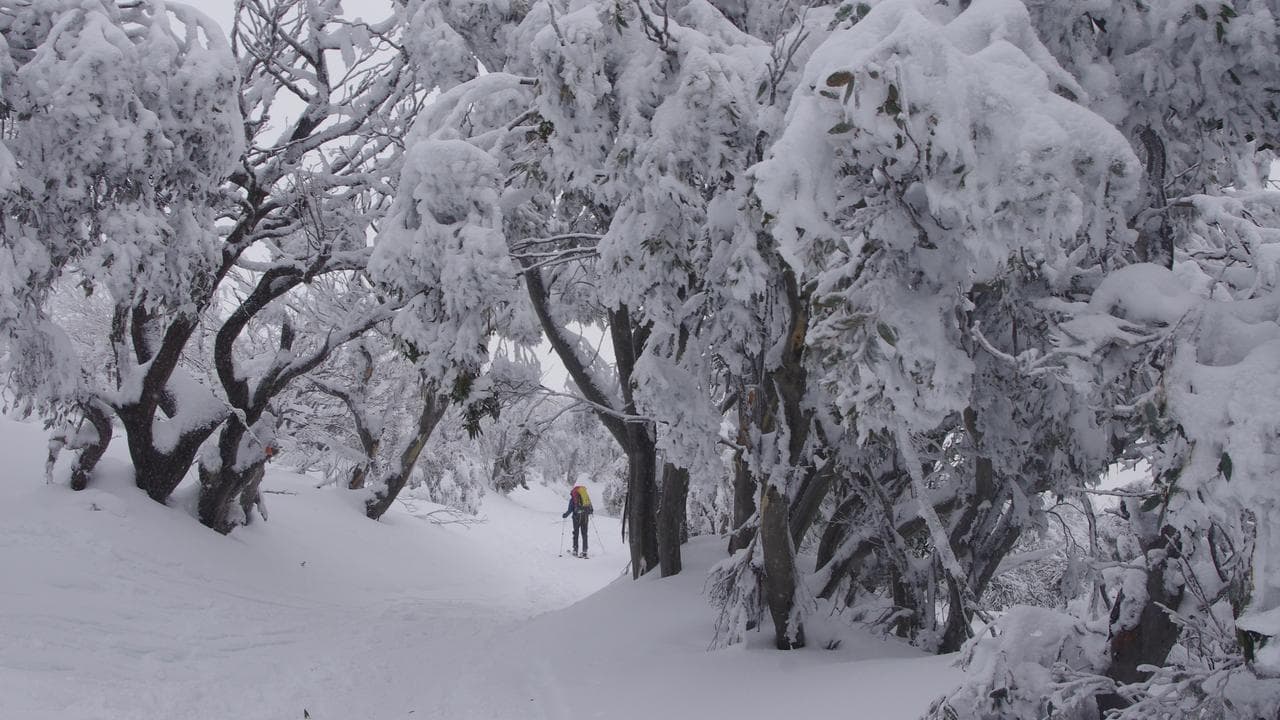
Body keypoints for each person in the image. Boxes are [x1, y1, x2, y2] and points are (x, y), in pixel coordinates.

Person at [562, 485, 593, 558]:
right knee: (584, 534)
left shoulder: (573, 499)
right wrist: (586, 512)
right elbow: (591, 510)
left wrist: (565, 515)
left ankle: (575, 550)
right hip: (585, 517)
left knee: (576, 533)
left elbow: (570, 510)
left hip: (576, 518)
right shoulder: (586, 498)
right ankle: (585, 551)